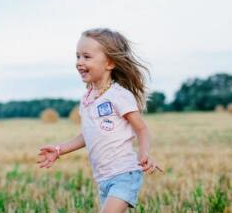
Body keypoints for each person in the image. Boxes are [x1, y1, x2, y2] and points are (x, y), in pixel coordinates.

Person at [37, 28, 162, 213]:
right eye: (77, 56)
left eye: (87, 57)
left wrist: (144, 153)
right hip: (103, 179)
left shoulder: (119, 95)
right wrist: (59, 150)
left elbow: (141, 129)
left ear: (110, 62)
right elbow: (87, 134)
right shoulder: (87, 99)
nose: (79, 62)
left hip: (124, 174)